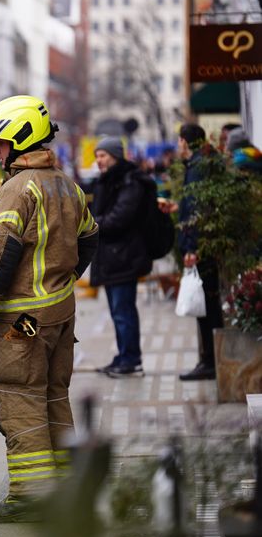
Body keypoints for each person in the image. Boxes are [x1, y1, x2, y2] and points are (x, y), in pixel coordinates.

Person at [0, 95, 98, 523]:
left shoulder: (16, 190)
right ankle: (65, 489)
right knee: (53, 397)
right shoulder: (68, 185)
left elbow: (0, 255)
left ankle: (29, 497)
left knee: (19, 397)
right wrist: (63, 279)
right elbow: (89, 240)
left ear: (19, 138)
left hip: (22, 320)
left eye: (0, 143)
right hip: (60, 314)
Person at [89, 136, 153, 378]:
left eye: (103, 155)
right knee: (118, 311)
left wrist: (92, 225)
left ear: (115, 155)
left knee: (123, 310)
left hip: (125, 255)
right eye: (97, 156)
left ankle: (132, 360)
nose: (99, 160)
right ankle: (124, 355)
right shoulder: (108, 180)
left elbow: (120, 217)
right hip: (112, 256)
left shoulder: (129, 180)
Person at [176, 124, 224, 381]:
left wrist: (192, 246)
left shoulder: (198, 167)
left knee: (207, 306)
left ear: (184, 141)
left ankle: (210, 362)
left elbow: (198, 208)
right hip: (208, 243)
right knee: (210, 304)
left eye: (179, 141)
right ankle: (211, 360)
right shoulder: (206, 161)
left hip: (202, 246)